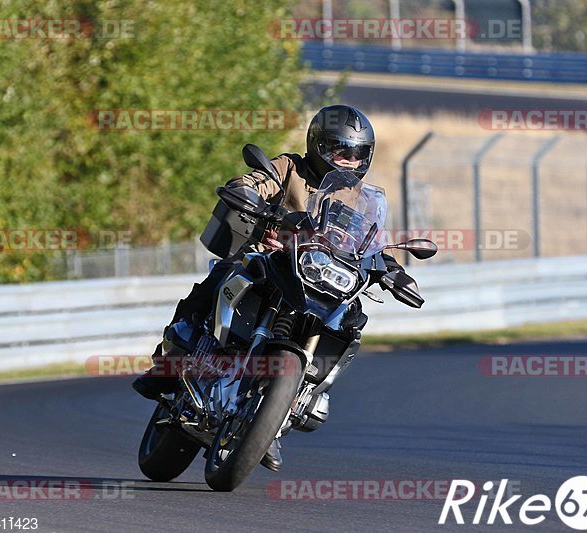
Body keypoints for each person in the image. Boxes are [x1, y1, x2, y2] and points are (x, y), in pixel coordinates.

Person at [133, 105, 403, 471]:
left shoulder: (361, 197)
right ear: (318, 145)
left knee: (351, 320)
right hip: (270, 256)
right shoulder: (289, 168)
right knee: (220, 277)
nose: (349, 161)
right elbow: (252, 182)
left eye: (357, 154)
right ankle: (168, 363)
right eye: (341, 151)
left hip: (319, 275)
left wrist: (390, 267)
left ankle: (284, 413)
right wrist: (250, 198)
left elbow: (370, 238)